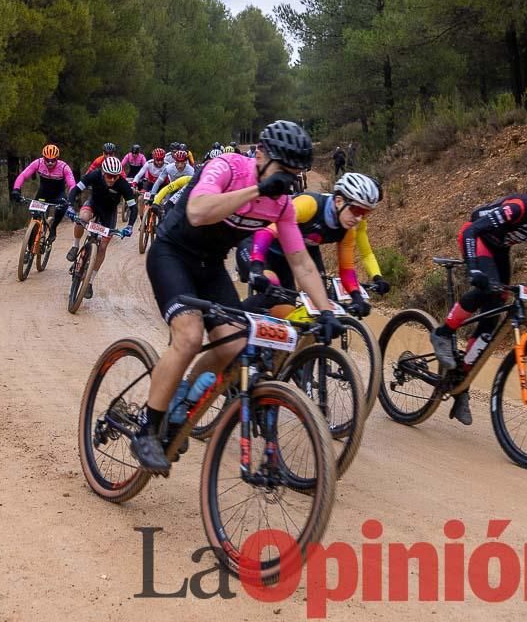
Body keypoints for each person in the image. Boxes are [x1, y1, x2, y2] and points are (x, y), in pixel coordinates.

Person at [132, 120, 340, 474]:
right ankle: (146, 429)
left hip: (210, 266)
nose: (286, 182)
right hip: (172, 253)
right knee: (189, 336)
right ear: (259, 155)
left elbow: (301, 262)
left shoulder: (283, 205)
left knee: (233, 345)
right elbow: (198, 213)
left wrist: (325, 311)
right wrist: (257, 189)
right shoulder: (227, 167)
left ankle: (181, 404)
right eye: (282, 171)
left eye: (294, 175)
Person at [430, 169, 527, 425]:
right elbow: (471, 231)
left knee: (490, 321)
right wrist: (473, 269)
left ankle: (461, 385)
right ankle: (443, 333)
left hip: (500, 248)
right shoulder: (519, 207)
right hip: (477, 238)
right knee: (486, 289)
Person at [239, 172, 391, 313]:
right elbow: (266, 232)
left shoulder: (348, 230)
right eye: (357, 211)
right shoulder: (309, 204)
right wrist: (257, 264)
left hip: (289, 257)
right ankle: (233, 320)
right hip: (259, 246)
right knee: (272, 291)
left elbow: (346, 269)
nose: (359, 219)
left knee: (302, 308)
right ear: (338, 201)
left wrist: (357, 297)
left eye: (365, 214)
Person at [63, 156, 138, 299]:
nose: (112, 179)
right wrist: (70, 207)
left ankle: (90, 282)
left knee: (103, 246)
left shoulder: (122, 184)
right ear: (103, 172)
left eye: (115, 176)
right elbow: (75, 190)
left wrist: (129, 226)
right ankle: (75, 245)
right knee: (81, 219)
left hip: (109, 213)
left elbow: (133, 208)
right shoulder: (94, 175)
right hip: (93, 204)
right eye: (109, 176)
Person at [10, 144, 76, 235]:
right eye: (47, 160)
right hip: (43, 194)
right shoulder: (38, 163)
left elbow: (72, 185)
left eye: (53, 160)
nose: (50, 163)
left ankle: (53, 227)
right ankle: (31, 238)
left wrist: (71, 199)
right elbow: (23, 175)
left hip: (58, 195)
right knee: (35, 216)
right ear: (43, 157)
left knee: (62, 209)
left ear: (57, 158)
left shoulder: (64, 167)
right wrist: (16, 189)